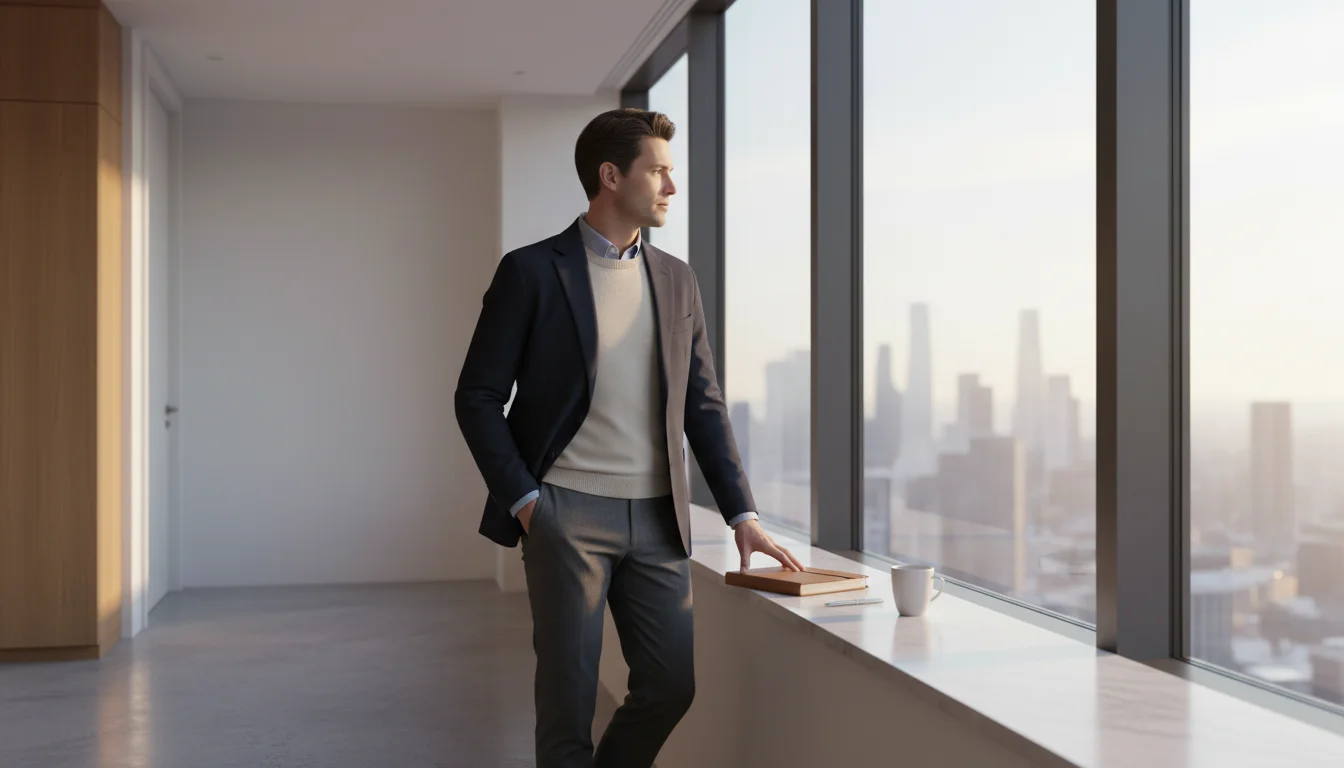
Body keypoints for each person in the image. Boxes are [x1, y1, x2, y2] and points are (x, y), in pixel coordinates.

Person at [455, 108, 804, 768]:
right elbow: (475, 397)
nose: (671, 188)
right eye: (659, 172)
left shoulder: (677, 279)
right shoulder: (530, 272)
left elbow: (704, 405)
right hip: (565, 515)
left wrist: (743, 514)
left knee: (671, 686)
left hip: (658, 519)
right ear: (610, 176)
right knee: (568, 705)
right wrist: (529, 503)